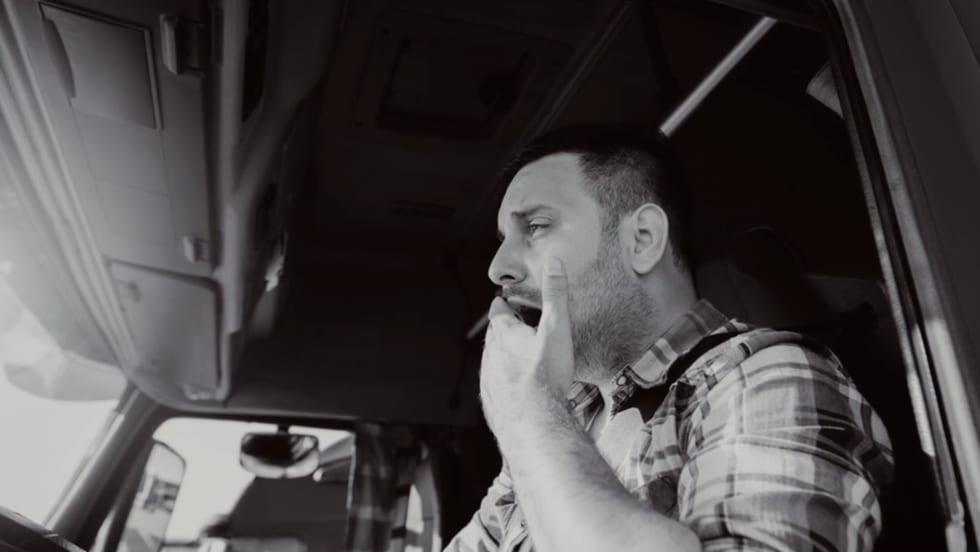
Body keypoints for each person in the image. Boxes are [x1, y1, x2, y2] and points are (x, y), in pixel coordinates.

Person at [445, 126, 893, 551]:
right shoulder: (568, 417)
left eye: (536, 227)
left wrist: (528, 414)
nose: (497, 268)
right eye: (505, 238)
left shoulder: (766, 378)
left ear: (642, 239)